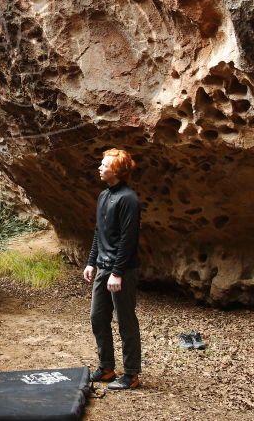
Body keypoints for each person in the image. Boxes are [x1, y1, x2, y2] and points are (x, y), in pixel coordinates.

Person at [83, 148, 142, 390]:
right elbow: (100, 232)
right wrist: (90, 261)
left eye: (104, 165)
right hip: (103, 267)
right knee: (98, 317)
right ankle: (106, 368)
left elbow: (129, 240)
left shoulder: (129, 199)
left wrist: (117, 272)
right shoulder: (103, 196)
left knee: (125, 321)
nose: (99, 167)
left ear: (116, 171)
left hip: (122, 271)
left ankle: (131, 374)